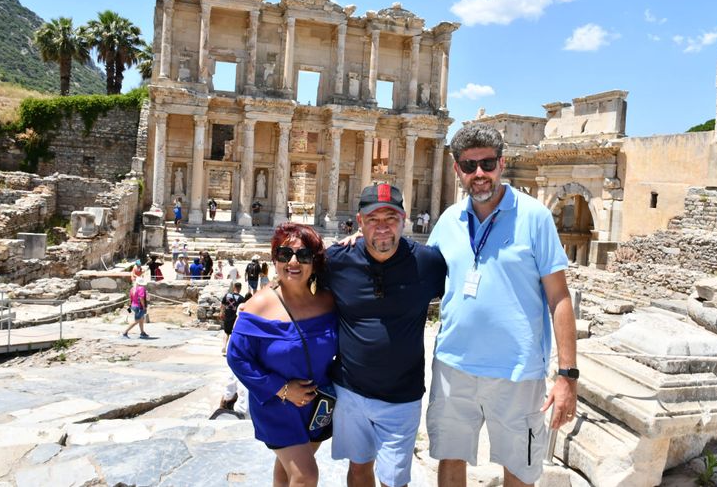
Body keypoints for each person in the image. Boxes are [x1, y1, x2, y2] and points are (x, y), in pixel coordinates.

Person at [426, 123, 578, 487]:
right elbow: (415, 272)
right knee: (450, 457)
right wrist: (360, 239)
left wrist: (568, 376)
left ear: (502, 163)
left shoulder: (535, 217)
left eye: (488, 163)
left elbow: (559, 297)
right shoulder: (449, 220)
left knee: (520, 468)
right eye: (469, 165)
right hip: (453, 366)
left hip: (517, 371)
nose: (479, 174)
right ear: (456, 169)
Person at [324, 183, 446, 487]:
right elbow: (295, 280)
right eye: (373, 220)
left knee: (394, 479)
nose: (382, 228)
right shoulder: (336, 261)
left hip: (401, 397)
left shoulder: (428, 263)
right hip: (350, 391)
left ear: (404, 220)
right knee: (358, 469)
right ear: (359, 221)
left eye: (390, 219)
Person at [227, 223, 337, 487]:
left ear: (315, 261)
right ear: (275, 260)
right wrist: (283, 389)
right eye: (285, 255)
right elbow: (237, 357)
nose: (294, 262)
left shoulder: (328, 301)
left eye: (304, 255)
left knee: (287, 471)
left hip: (317, 404)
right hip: (277, 405)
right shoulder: (258, 305)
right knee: (305, 475)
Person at [220, 282, 244, 354]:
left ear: (234, 287)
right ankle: (232, 349)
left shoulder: (227, 295)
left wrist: (221, 312)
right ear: (240, 288)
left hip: (227, 315)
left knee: (226, 332)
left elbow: (222, 304)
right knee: (234, 333)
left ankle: (224, 346)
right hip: (235, 317)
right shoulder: (241, 298)